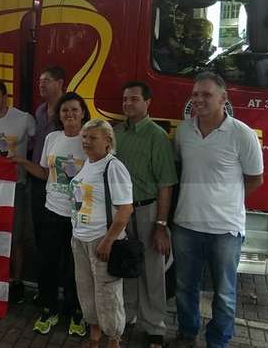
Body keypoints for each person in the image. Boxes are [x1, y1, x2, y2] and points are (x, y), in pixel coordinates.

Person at [172, 72, 263, 348]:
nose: (199, 99)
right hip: (186, 225)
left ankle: (218, 342)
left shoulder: (242, 134)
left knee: (224, 294)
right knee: (186, 288)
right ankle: (187, 334)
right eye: (195, 94)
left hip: (226, 230)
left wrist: (227, 200)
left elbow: (255, 178)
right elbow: (178, 166)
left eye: (206, 94)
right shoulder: (184, 131)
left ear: (224, 98)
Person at [13, 92, 89, 337]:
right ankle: (49, 308)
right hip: (52, 211)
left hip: (79, 216)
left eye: (74, 110)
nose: (69, 114)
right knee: (47, 264)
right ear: (59, 115)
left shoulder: (89, 139)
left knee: (76, 267)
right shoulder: (52, 137)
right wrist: (22, 162)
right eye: (65, 110)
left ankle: (77, 312)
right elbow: (47, 173)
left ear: (83, 113)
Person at [114, 82, 177, 348]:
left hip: (147, 210)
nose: (128, 103)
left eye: (135, 99)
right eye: (125, 99)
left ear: (147, 103)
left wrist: (161, 225)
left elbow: (165, 184)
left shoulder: (157, 136)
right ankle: (127, 315)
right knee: (125, 264)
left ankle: (154, 326)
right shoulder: (115, 133)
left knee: (152, 269)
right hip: (120, 211)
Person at [70, 119, 134, 348]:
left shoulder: (113, 166)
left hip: (101, 238)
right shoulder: (88, 163)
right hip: (80, 238)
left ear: (107, 141)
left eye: (92, 138)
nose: (86, 142)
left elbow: (126, 208)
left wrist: (108, 241)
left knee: (107, 292)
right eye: (84, 137)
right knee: (86, 289)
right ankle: (95, 334)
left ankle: (114, 339)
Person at [0, 80, 35, 303]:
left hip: (16, 186)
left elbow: (36, 143)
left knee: (15, 238)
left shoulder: (23, 119)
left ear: (5, 98)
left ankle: (17, 282)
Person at [29, 66, 66, 284]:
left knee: (62, 237)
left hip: (59, 183)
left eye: (47, 80)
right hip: (37, 179)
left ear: (60, 83)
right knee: (42, 234)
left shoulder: (69, 109)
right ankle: (46, 286)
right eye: (40, 80)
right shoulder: (40, 111)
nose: (41, 84)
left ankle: (64, 283)